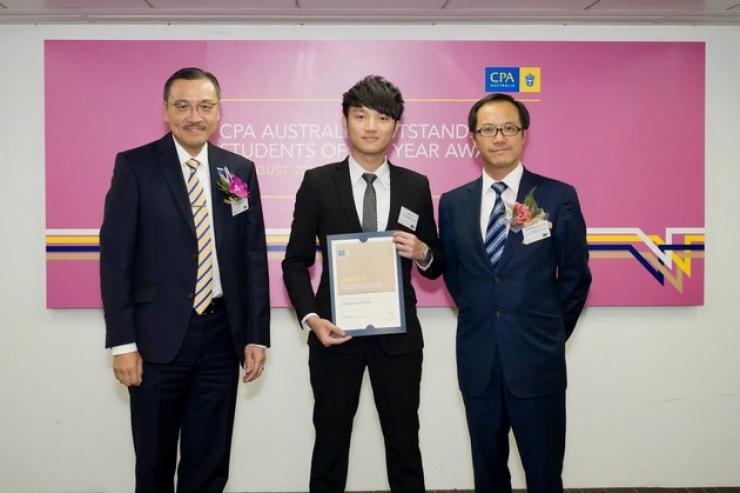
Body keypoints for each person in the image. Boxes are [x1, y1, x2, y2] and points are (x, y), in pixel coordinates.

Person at [100, 67, 270, 493]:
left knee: (209, 463)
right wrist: (122, 343)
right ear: (165, 111)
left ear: (218, 112)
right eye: (183, 106)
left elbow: (250, 256)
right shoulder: (136, 166)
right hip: (156, 340)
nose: (194, 116)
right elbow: (115, 260)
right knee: (154, 463)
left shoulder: (235, 172)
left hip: (220, 337)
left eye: (204, 106)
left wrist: (256, 335)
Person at [282, 75, 443, 492]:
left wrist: (423, 251)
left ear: (396, 127)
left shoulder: (416, 184)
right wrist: (312, 319)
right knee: (331, 443)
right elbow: (295, 262)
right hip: (335, 334)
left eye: (383, 117)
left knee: (405, 443)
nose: (371, 126)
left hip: (400, 338)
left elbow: (435, 265)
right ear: (346, 122)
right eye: (361, 116)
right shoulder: (317, 182)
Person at [438, 93, 591, 493]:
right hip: (479, 362)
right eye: (488, 129)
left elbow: (575, 277)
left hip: (536, 360)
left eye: (509, 128)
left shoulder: (558, 196)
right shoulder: (453, 203)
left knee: (543, 474)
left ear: (524, 135)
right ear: (473, 138)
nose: (499, 137)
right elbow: (457, 277)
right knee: (488, 475)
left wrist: (550, 331)